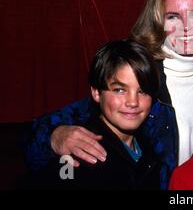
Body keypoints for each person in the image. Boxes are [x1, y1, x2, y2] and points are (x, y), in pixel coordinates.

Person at [24, 0, 193, 189]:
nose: (186, 26)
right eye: (173, 17)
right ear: (158, 22)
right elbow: (37, 134)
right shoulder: (140, 72)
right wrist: (55, 136)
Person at [19, 39, 161, 189]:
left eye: (142, 91)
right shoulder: (74, 154)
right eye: (119, 90)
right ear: (96, 93)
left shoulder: (149, 145)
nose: (133, 102)